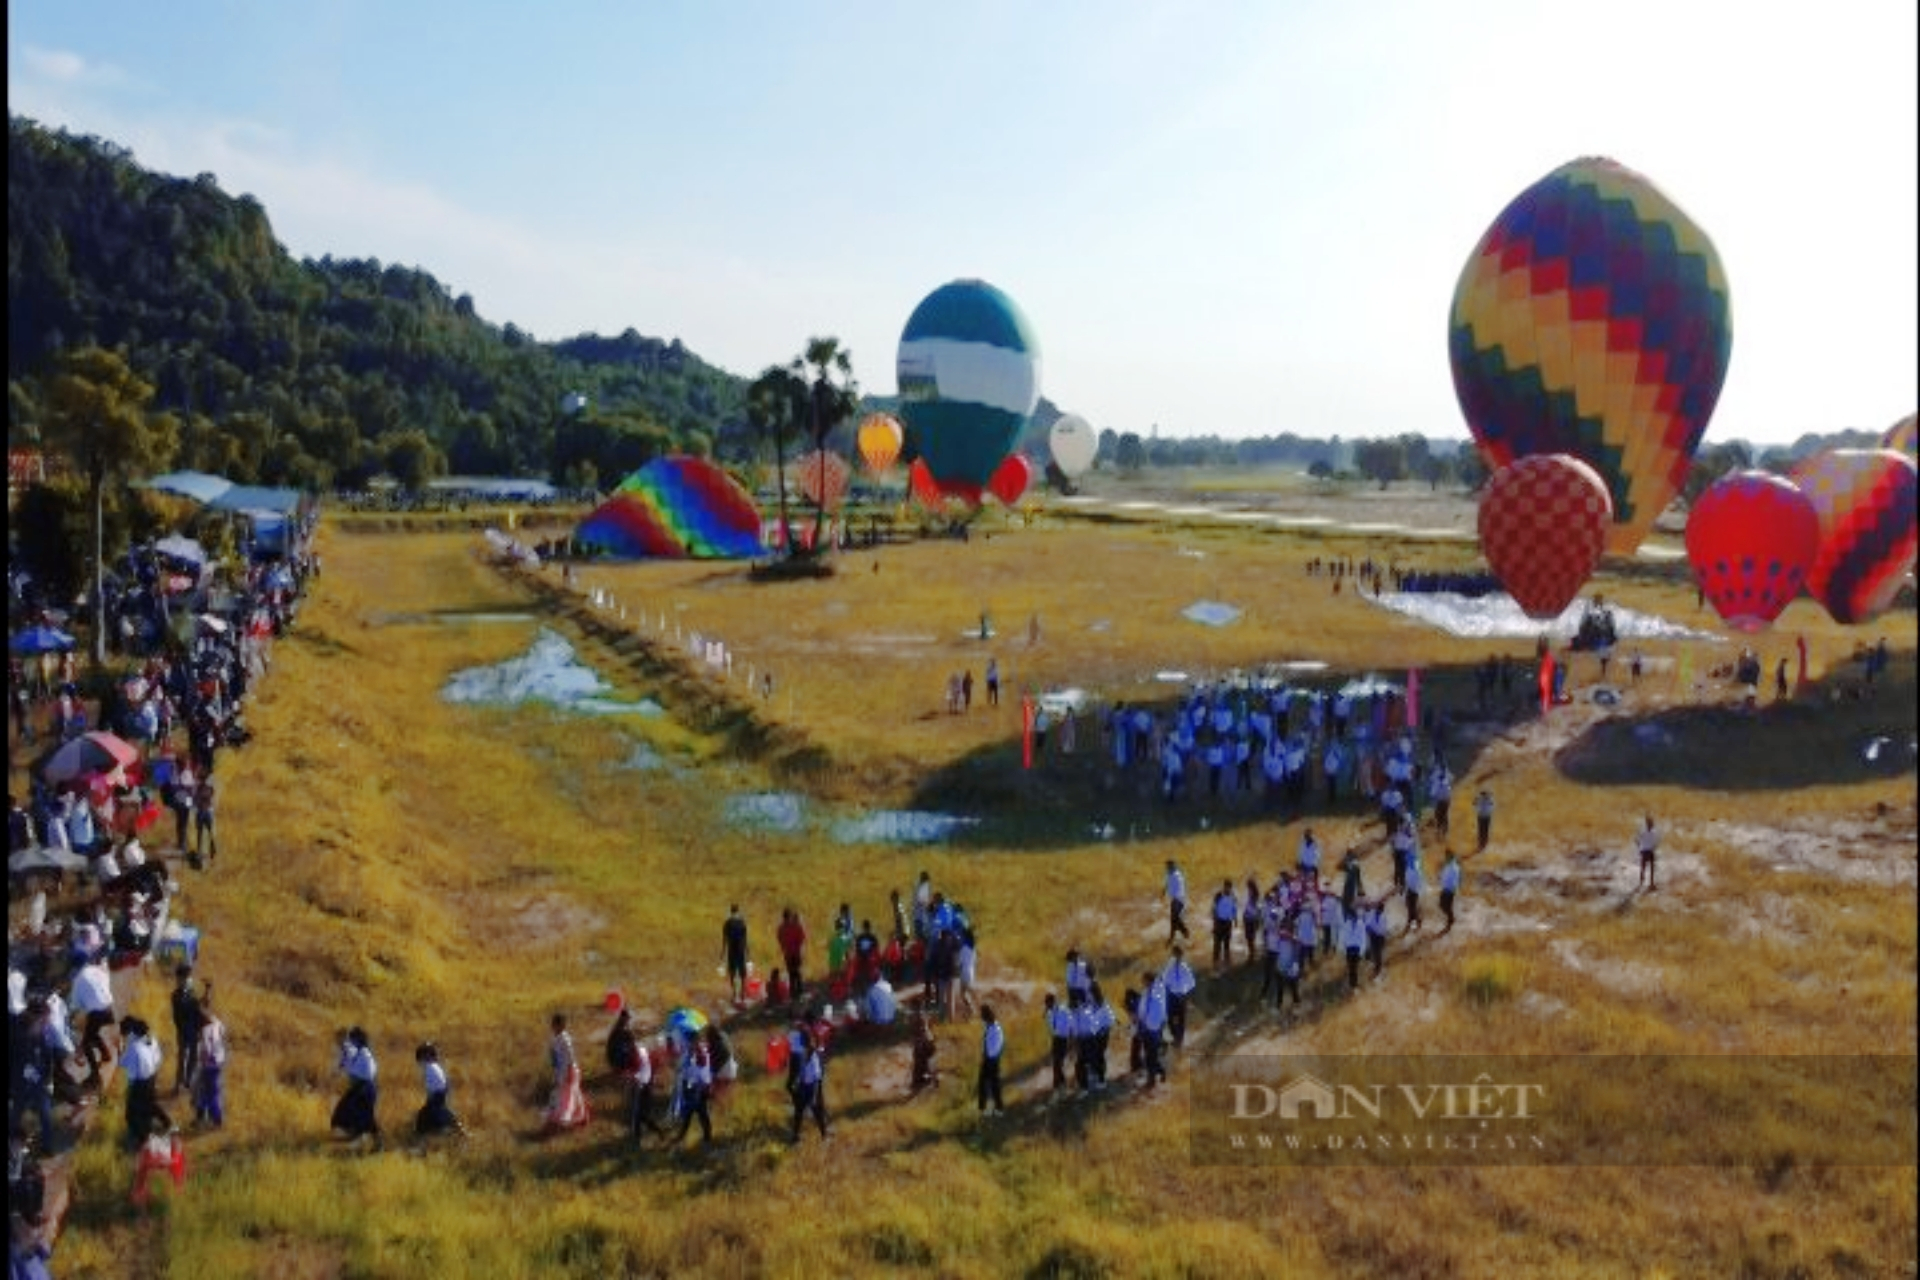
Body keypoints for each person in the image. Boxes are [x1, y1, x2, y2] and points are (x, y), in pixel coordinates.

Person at [118, 1016, 168, 1152]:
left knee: (130, 1115)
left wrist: (120, 1048)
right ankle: (168, 1123)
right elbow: (158, 1059)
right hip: (152, 1077)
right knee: (150, 1104)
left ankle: (144, 1139)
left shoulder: (134, 1048)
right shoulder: (151, 1039)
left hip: (140, 1083)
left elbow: (125, 1066)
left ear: (133, 1032)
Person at [332, 1027, 382, 1150]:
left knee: (358, 1116)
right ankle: (368, 1143)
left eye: (351, 1038)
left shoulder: (364, 1053)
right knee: (354, 1115)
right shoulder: (359, 1052)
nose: (350, 1041)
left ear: (358, 1039)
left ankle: (365, 1144)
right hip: (360, 1088)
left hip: (364, 1089)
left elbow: (366, 1073)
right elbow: (347, 1056)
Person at [543, 1013, 589, 1131]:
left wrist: (569, 1073)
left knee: (567, 1096)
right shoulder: (556, 1038)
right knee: (572, 1094)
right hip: (562, 1071)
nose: (553, 1027)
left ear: (561, 1026)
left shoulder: (565, 1039)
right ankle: (581, 1116)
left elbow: (570, 1057)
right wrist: (553, 1060)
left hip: (569, 1071)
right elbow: (554, 1055)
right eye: (553, 1025)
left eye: (556, 1025)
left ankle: (565, 1120)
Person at [192, 985, 226, 1129]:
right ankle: (202, 1118)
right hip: (218, 1060)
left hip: (209, 1064)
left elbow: (205, 1049)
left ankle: (216, 1119)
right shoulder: (217, 1022)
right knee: (206, 1091)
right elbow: (223, 1032)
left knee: (208, 1092)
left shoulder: (205, 1030)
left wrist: (202, 1064)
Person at [413, 1043, 464, 1138]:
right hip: (440, 1095)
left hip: (436, 1098)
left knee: (425, 1118)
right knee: (443, 1118)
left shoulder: (429, 1069)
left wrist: (430, 1102)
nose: (419, 1060)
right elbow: (444, 1083)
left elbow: (432, 1089)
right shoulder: (435, 1066)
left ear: (426, 1056)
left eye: (421, 1056)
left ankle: (421, 1140)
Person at [674, 1031, 714, 1146]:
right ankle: (704, 1136)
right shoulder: (694, 1051)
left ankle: (706, 1137)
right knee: (694, 1112)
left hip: (697, 1086)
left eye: (688, 1041)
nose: (687, 1043)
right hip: (696, 1085)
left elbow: (698, 1070)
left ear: (693, 1041)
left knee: (698, 1112)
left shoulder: (699, 1052)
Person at [789, 1029, 829, 1142]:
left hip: (811, 1087)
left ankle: (824, 1136)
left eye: (804, 1040)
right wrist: (797, 1082)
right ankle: (796, 1136)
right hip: (804, 1086)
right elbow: (801, 1071)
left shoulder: (813, 1056)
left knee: (816, 1111)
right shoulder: (803, 1053)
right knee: (799, 1112)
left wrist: (814, 1095)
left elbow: (816, 1078)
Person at [170, 965, 202, 1098]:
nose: (186, 980)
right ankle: (178, 1085)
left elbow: (199, 1011)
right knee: (182, 1058)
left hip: (194, 1030)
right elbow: (183, 1008)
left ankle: (188, 1082)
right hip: (183, 1031)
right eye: (183, 978)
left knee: (193, 1058)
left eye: (188, 978)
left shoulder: (192, 992)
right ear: (179, 979)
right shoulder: (176, 995)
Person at [1136, 971, 1168, 1088]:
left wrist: (1158, 1025)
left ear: (1149, 980)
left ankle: (1151, 1080)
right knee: (1149, 1053)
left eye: (1144, 980)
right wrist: (1140, 1020)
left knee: (1151, 1054)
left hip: (1154, 1028)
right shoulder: (1145, 992)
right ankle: (1161, 1070)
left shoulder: (1157, 993)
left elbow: (1161, 1011)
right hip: (1145, 1026)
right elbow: (1142, 1008)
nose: (1142, 982)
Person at [1162, 948, 1197, 1050]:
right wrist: (1167, 989)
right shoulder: (1169, 967)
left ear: (1181, 956)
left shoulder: (1184, 968)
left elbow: (1192, 983)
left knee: (1181, 1019)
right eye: (1175, 955)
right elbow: (1164, 981)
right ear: (1172, 955)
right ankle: (1174, 1037)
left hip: (1181, 996)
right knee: (1170, 1018)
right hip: (1171, 996)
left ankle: (1179, 1041)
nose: (1177, 957)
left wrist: (1185, 992)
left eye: (1178, 955)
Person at [977, 1005, 1005, 1116]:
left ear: (986, 1016)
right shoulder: (990, 1026)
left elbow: (993, 1048)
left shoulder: (995, 1029)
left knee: (989, 1085)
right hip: (990, 1059)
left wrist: (987, 1056)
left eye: (982, 1014)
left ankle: (993, 1108)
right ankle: (989, 1108)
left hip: (991, 1060)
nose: (981, 1017)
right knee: (987, 1084)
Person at [1044, 993, 1074, 1094]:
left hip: (1064, 1039)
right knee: (1056, 1063)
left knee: (1058, 1063)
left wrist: (1071, 1041)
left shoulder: (1063, 1011)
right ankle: (1060, 1085)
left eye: (1048, 1003)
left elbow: (1071, 1025)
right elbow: (1051, 1027)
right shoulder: (1049, 1013)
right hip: (1056, 1039)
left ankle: (1059, 1085)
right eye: (1046, 1004)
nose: (1047, 1006)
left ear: (1053, 1001)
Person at [721, 905, 750, 1003]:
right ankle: (742, 993)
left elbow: (724, 939)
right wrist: (747, 951)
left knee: (732, 972)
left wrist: (723, 951)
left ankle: (734, 993)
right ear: (738, 911)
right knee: (742, 973)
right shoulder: (742, 922)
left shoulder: (727, 923)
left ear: (730, 911)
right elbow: (745, 939)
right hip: (741, 950)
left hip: (731, 950)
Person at [777, 908, 807, 1000]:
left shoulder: (781, 928)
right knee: (798, 972)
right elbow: (803, 938)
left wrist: (783, 948)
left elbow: (779, 939)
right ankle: (800, 992)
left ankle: (792, 992)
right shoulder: (796, 926)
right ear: (789, 917)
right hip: (797, 953)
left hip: (788, 954)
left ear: (783, 917)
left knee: (791, 973)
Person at [1210, 881, 1237, 969]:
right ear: (1224, 886)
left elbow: (1234, 908)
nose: (1227, 889)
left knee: (1226, 944)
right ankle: (1215, 965)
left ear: (1231, 887)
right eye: (1226, 887)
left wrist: (1235, 919)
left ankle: (1227, 962)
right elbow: (1213, 908)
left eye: (1229, 887)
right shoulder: (1219, 895)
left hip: (1228, 923)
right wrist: (1214, 922)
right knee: (1217, 945)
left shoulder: (1233, 896)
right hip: (1219, 922)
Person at [909, 1012, 939, 1093]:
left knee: (926, 1063)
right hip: (925, 1041)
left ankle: (928, 1082)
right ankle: (927, 1082)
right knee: (926, 1063)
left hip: (925, 1042)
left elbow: (923, 1030)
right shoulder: (921, 1015)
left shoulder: (918, 1016)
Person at [1164, 859, 1190, 944]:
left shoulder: (1177, 875)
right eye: (1167, 866)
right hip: (1175, 899)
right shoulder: (1169, 874)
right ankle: (1174, 936)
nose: (1167, 867)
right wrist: (1164, 890)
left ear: (1172, 866)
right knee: (1174, 919)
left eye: (1168, 866)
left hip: (1178, 899)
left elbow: (1180, 888)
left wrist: (1177, 899)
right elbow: (1167, 883)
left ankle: (1184, 931)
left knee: (1175, 919)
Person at [1439, 849, 1462, 934]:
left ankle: (1450, 921)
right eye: (1446, 856)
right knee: (1442, 905)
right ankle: (1451, 919)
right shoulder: (1448, 865)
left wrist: (1453, 888)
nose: (1446, 858)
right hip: (1445, 889)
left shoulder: (1454, 867)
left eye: (1447, 856)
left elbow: (1456, 879)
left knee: (1445, 906)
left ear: (1450, 857)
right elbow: (1444, 875)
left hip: (1449, 890)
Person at [1636, 814, 1659, 891]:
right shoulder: (1645, 832)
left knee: (1648, 867)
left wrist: (1639, 846)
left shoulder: (1651, 832)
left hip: (1648, 850)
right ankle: (1644, 882)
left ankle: (1648, 882)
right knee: (1646, 867)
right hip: (1646, 850)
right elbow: (1637, 839)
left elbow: (1637, 840)